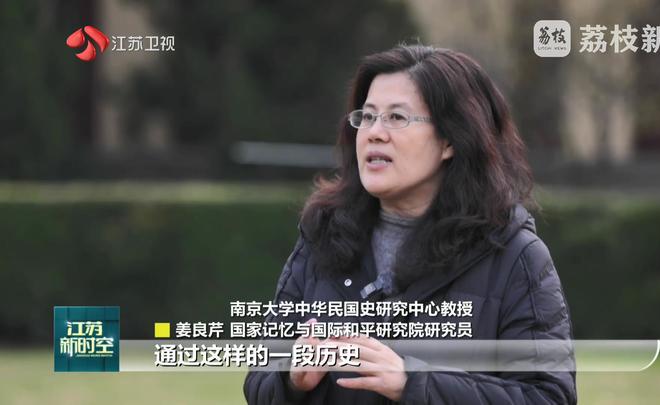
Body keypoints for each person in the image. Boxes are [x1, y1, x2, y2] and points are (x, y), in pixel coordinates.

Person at [243, 44, 577, 404]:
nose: (374, 132)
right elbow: (259, 378)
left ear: (449, 140)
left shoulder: (515, 256)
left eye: (397, 118)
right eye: (367, 117)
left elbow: (548, 396)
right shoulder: (323, 236)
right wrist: (291, 379)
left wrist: (414, 383)